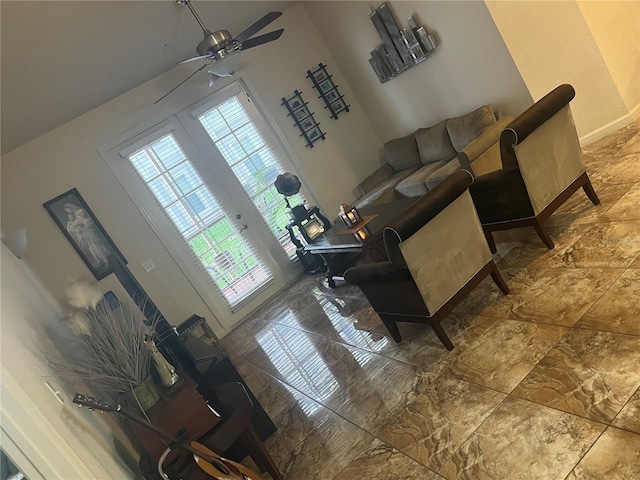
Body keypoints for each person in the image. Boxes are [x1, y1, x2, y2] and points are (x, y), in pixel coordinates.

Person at [64, 203, 113, 268]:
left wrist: (76, 224)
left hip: (88, 229)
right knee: (90, 246)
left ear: (70, 208)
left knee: (96, 244)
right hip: (83, 232)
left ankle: (107, 259)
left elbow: (86, 220)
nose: (67, 212)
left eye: (67, 210)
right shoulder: (72, 216)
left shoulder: (80, 211)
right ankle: (100, 260)